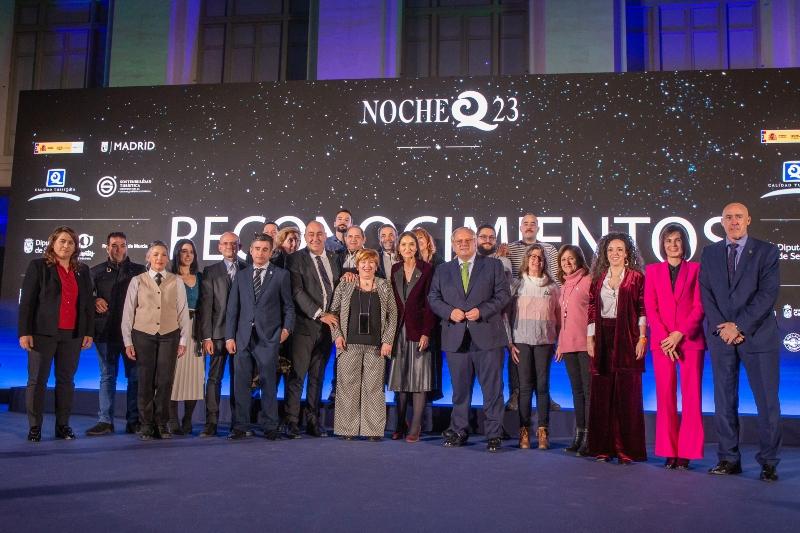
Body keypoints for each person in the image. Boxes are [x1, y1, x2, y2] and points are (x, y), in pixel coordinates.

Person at [700, 202, 781, 482]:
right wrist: (724, 328)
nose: (734, 221)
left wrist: (739, 326)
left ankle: (769, 462)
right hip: (722, 338)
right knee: (724, 401)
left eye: (738, 217)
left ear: (748, 220)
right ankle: (728, 459)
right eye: (728, 217)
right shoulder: (709, 253)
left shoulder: (767, 251)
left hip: (758, 337)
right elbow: (706, 294)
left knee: (767, 402)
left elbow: (767, 295)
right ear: (722, 222)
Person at [429, 227, 510, 452]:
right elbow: (433, 298)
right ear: (453, 244)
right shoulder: (443, 270)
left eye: (468, 240)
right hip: (456, 338)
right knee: (460, 391)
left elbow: (503, 295)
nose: (463, 244)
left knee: (492, 390)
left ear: (475, 242)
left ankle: (494, 434)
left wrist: (482, 311)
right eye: (459, 241)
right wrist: (449, 312)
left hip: (487, 336)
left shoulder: (493, 265)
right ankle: (459, 430)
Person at [19, 226, 94, 442]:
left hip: (72, 335)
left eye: (70, 242)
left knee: (66, 381)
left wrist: (88, 332)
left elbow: (87, 304)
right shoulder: (38, 266)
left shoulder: (82, 270)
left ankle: (63, 426)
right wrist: (24, 332)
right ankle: (35, 427)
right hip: (42, 333)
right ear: (53, 243)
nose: (66, 246)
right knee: (37, 381)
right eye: (62, 241)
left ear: (76, 247)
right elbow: (27, 303)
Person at [644, 224, 706, 470]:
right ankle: (669, 451)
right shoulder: (653, 271)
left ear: (684, 243)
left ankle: (687, 452)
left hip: (689, 340)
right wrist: (664, 338)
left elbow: (700, 306)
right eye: (668, 240)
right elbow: (651, 307)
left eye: (677, 240)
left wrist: (680, 334)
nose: (673, 245)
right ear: (662, 244)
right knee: (665, 397)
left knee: (692, 398)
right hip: (662, 344)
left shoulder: (697, 270)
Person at [585, 232, 647, 464]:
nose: (615, 254)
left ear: (627, 253)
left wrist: (642, 338)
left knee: (626, 395)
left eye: (620, 249)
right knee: (602, 394)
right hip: (603, 337)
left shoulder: (636, 278)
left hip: (628, 338)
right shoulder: (598, 279)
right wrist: (590, 338)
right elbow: (592, 309)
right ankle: (603, 448)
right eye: (611, 249)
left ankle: (626, 450)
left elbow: (642, 308)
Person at [225, 234, 295, 440]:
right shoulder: (242, 275)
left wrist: (286, 329)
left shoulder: (281, 275)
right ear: (251, 250)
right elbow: (233, 309)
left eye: (265, 249)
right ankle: (241, 426)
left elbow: (289, 307)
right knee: (241, 383)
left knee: (268, 383)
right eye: (257, 249)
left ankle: (270, 426)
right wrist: (229, 337)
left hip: (269, 338)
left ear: (271, 252)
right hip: (243, 338)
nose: (260, 253)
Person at [122, 241, 191, 440]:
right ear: (148, 258)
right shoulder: (137, 280)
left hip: (169, 335)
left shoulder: (176, 281)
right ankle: (146, 424)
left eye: (163, 255)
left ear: (168, 258)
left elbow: (183, 311)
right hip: (143, 335)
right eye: (155, 255)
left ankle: (161, 423)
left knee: (165, 380)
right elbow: (128, 312)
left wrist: (183, 340)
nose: (159, 258)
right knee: (145, 380)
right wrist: (128, 341)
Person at [330, 249, 397, 440]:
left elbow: (393, 315)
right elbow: (333, 312)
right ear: (357, 265)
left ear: (376, 266)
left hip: (376, 347)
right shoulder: (345, 284)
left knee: (374, 389)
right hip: (348, 345)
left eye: (371, 263)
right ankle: (347, 430)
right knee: (347, 388)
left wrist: (387, 340)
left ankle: (373, 431)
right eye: (363, 262)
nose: (367, 266)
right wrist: (337, 336)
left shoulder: (385, 285)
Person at [284, 220, 342, 438]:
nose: (315, 238)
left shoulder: (335, 258)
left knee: (317, 378)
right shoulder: (295, 259)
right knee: (297, 376)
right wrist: (320, 314)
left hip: (328, 329)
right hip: (305, 326)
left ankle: (312, 421)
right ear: (305, 236)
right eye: (310, 234)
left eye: (319, 234)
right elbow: (297, 291)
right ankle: (291, 421)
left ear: (325, 235)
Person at [86, 231, 146, 436]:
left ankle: (134, 421)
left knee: (135, 377)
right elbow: (85, 298)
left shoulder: (140, 271)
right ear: (107, 247)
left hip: (134, 334)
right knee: (107, 376)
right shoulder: (95, 272)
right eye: (114, 245)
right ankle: (105, 421)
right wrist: (94, 300)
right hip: (105, 333)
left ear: (127, 247)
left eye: (122, 245)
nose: (118, 249)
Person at [502, 214, 560, 412]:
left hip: (542, 300)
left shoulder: (549, 249)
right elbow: (505, 275)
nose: (529, 226)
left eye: (532, 224)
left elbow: (555, 276)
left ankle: (544, 397)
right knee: (518, 357)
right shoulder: (510, 248)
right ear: (520, 227)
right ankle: (515, 395)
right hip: (519, 301)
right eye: (525, 223)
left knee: (541, 364)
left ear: (538, 227)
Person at [509, 244, 560, 450]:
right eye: (532, 256)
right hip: (521, 340)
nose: (535, 260)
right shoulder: (517, 284)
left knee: (542, 386)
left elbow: (559, 316)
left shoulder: (552, 287)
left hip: (544, 341)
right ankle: (524, 431)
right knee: (524, 387)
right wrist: (509, 342)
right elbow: (506, 314)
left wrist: (559, 341)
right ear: (526, 259)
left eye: (539, 257)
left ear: (544, 261)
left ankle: (543, 431)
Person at [388, 232, 436, 442]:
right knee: (399, 381)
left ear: (417, 247)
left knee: (419, 381)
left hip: (419, 331)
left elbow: (430, 304)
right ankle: (399, 425)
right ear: (398, 248)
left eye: (411, 244)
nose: (407, 248)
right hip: (398, 331)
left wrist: (426, 332)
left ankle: (415, 427)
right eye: (403, 245)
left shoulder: (427, 269)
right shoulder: (395, 269)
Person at [198, 231, 247, 437]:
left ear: (240, 246)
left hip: (241, 335)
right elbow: (206, 306)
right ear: (219, 247)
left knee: (239, 380)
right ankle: (211, 422)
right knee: (214, 379)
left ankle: (238, 424)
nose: (230, 247)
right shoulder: (210, 271)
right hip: (217, 334)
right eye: (225, 243)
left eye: (234, 244)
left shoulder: (248, 268)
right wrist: (207, 336)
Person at [555, 244, 592, 455]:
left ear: (578, 260)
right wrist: (561, 343)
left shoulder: (588, 281)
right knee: (576, 391)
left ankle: (590, 438)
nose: (567, 263)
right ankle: (579, 434)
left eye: (570, 258)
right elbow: (563, 319)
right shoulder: (564, 285)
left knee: (588, 391)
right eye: (563, 260)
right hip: (569, 345)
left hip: (586, 345)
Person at [167, 239, 205, 436]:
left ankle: (188, 419)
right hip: (175, 330)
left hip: (197, 331)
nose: (188, 255)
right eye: (184, 251)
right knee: (173, 377)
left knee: (194, 378)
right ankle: (172, 420)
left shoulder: (201, 277)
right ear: (177, 254)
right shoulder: (169, 278)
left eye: (191, 251)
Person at [413, 226, 444, 402]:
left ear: (428, 241)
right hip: (416, 317)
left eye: (421, 238)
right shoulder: (410, 262)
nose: (418, 242)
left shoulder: (439, 262)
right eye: (415, 239)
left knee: (433, 357)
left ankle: (431, 395)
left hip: (436, 316)